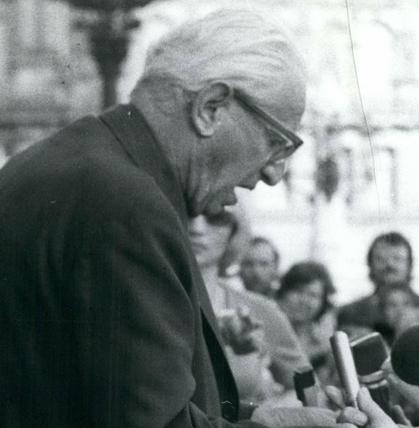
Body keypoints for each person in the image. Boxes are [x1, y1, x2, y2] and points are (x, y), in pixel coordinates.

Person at [0, 9, 349, 426]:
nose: (275, 174)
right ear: (211, 107)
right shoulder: (127, 205)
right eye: (276, 142)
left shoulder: (75, 162)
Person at [190, 211, 310, 404]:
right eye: (188, 213)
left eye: (215, 216)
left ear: (234, 231)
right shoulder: (141, 304)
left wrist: (269, 415)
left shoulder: (260, 310)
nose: (197, 228)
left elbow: (308, 388)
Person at [337, 232, 417, 335]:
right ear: (370, 264)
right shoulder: (351, 314)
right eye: (381, 259)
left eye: (397, 259)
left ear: (409, 264)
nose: (390, 265)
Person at [275, 262, 337, 376]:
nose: (304, 300)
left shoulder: (326, 348)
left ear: (323, 303)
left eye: (313, 295)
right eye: (298, 291)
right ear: (284, 293)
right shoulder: (267, 336)